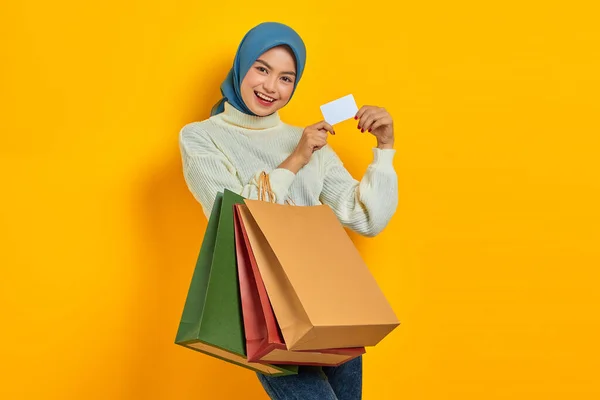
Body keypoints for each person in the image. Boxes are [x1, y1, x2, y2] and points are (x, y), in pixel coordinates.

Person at [179, 21, 398, 400]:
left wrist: (385, 149)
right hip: (265, 306)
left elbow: (368, 219)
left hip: (330, 296)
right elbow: (233, 216)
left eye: (285, 78)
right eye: (261, 69)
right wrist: (295, 160)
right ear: (241, 67)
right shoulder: (201, 137)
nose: (270, 87)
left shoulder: (313, 143)